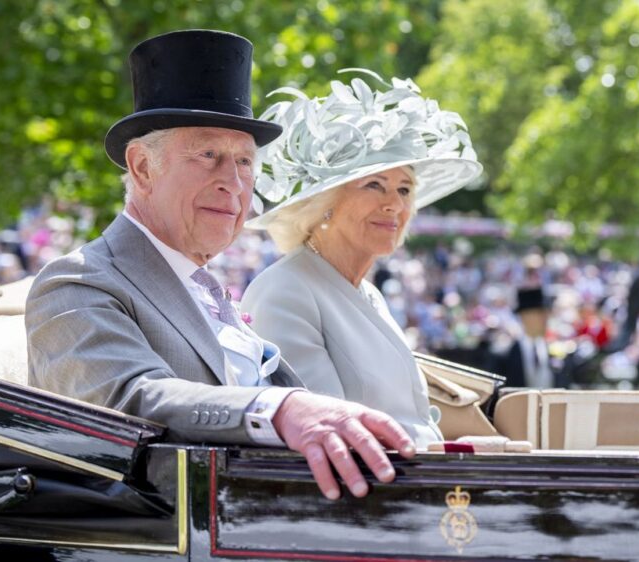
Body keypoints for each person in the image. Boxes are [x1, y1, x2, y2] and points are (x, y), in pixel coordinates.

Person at [25, 30, 416, 502]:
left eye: (246, 162)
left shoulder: (204, 288)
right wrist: (281, 409)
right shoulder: (78, 283)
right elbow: (132, 401)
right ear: (143, 168)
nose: (233, 182)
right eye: (208, 155)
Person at [240, 72, 482, 447]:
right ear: (324, 204)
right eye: (374, 185)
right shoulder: (286, 291)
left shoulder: (369, 295)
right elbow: (330, 433)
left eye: (404, 189)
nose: (395, 204)